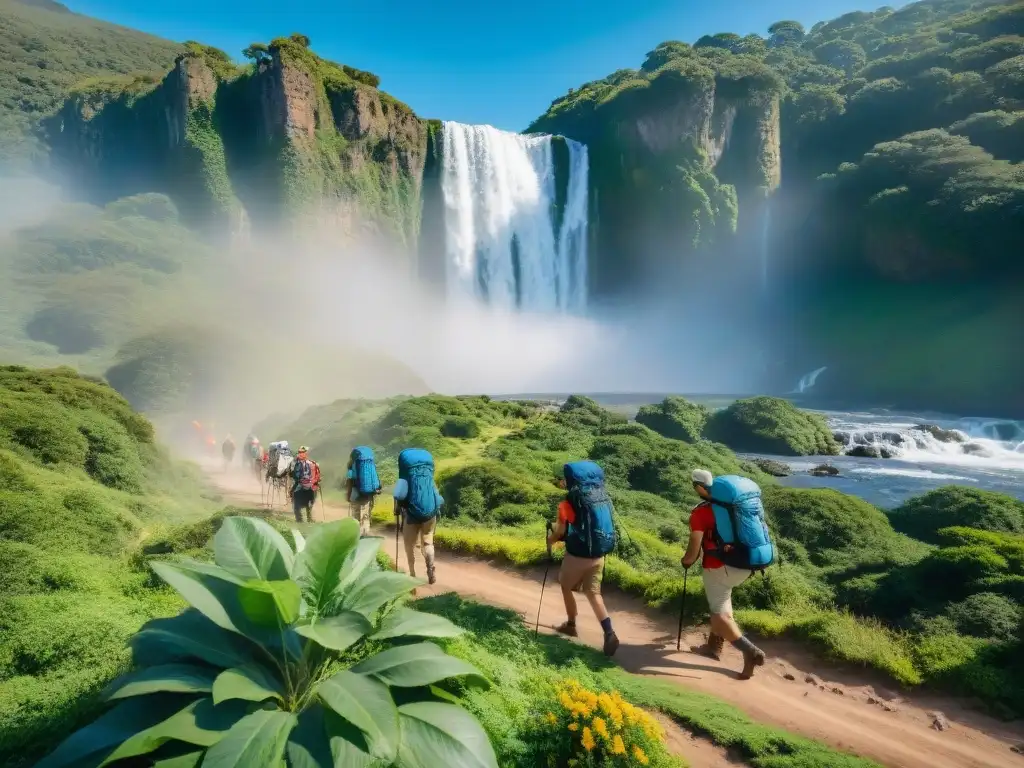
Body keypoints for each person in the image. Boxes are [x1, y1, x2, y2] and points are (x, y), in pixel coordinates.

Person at [681, 468, 767, 680]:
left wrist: (686, 561)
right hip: (747, 563)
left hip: (719, 567)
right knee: (723, 604)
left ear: (700, 487)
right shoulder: (734, 508)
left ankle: (749, 651)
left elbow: (693, 551)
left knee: (718, 615)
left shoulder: (700, 513)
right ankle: (714, 647)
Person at [547, 461, 620, 657]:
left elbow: (560, 532)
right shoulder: (600, 498)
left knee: (565, 586)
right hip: (598, 555)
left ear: (569, 482)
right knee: (594, 593)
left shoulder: (566, 504)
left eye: (562, 480)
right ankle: (609, 632)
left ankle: (571, 625)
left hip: (577, 556)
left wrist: (550, 539)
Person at [395, 448, 442, 584]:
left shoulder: (404, 478)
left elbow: (399, 496)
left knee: (411, 545)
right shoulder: (430, 479)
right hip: (430, 513)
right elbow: (437, 497)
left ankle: (413, 574)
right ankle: (430, 568)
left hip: (411, 514)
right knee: (428, 541)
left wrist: (397, 510)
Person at [346, 446, 382, 537]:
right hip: (367, 493)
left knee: (355, 516)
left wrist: (348, 495)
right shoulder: (371, 465)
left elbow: (349, 481)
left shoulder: (352, 465)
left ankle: (356, 536)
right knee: (365, 515)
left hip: (355, 493)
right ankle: (365, 534)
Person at [290, 445, 321, 523]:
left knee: (295, 502)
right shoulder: (313, 463)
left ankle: (299, 520)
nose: (301, 454)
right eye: (300, 452)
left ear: (305, 453)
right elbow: (318, 476)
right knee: (310, 502)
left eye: (302, 452)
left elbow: (294, 476)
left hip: (301, 486)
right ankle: (309, 518)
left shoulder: (295, 463)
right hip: (311, 487)